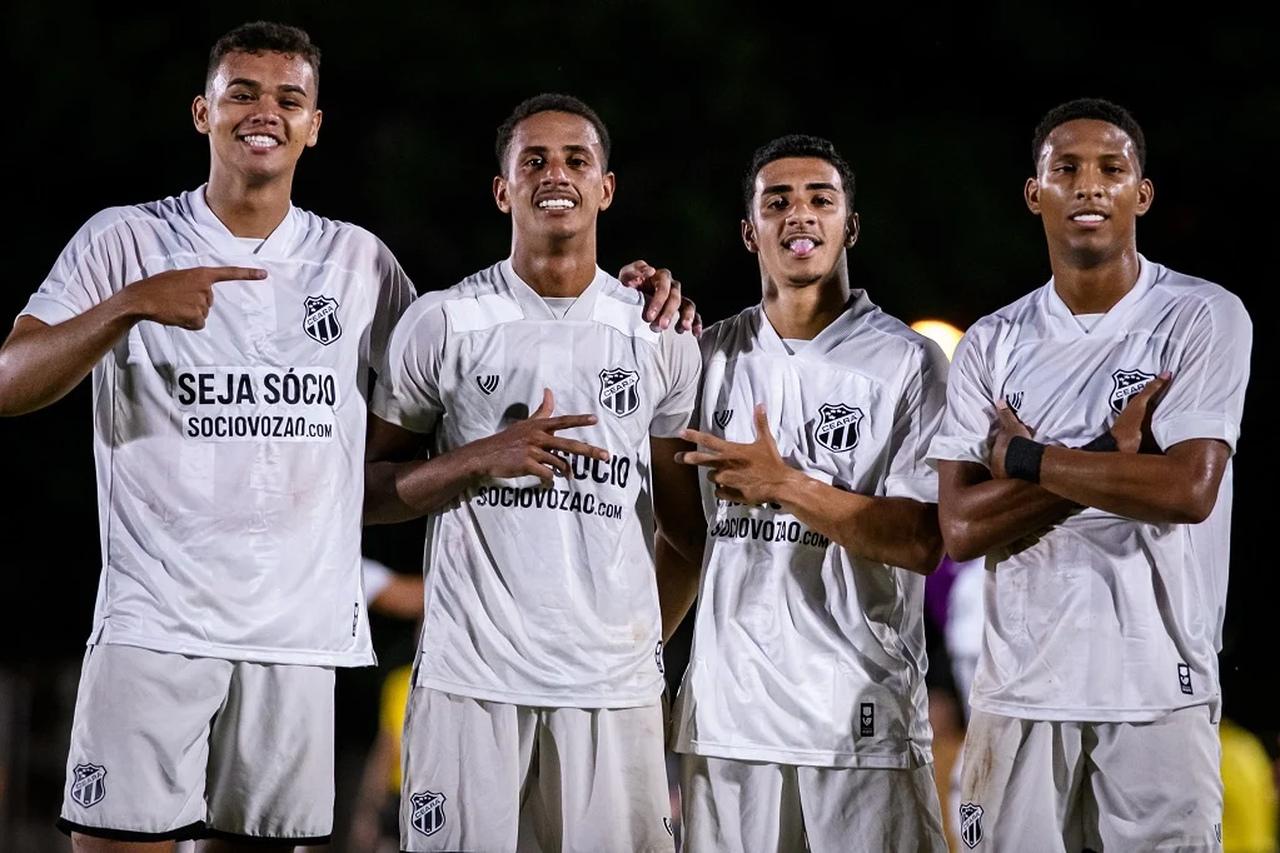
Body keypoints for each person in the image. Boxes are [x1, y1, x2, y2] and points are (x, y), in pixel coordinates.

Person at [0, 23, 693, 850]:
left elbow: (461, 369)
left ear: (315, 123)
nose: (266, 112)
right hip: (154, 621)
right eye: (242, 93)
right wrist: (126, 305)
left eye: (288, 98)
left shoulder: (358, 263)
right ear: (202, 112)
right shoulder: (127, 240)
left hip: (298, 635)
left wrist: (635, 294)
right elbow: (10, 381)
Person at [370, 93, 707, 852]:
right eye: (534, 161)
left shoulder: (659, 335)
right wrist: (476, 459)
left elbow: (686, 534)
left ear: (605, 188)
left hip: (612, 693)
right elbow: (363, 492)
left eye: (576, 160)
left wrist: (634, 648)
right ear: (503, 190)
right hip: (470, 683)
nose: (556, 174)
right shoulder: (444, 321)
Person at [929, 97, 1252, 852]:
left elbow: (1186, 490)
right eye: (1066, 168)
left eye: (1112, 168)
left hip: (1158, 686)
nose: (1089, 185)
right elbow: (962, 527)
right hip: (1018, 691)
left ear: (1142, 193)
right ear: (1034, 193)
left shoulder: (1201, 316)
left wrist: (1024, 459)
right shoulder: (991, 342)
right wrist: (1112, 453)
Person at [669, 134, 949, 851]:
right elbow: (684, 538)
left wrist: (785, 484)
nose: (799, 214)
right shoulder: (708, 357)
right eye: (777, 202)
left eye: (821, 200)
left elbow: (921, 539)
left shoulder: (908, 361)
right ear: (750, 231)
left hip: (861, 719)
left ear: (849, 226)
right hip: (730, 724)